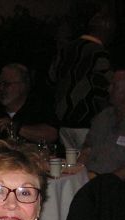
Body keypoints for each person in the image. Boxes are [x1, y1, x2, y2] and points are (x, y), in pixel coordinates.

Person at [49, 11, 114, 150]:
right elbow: (107, 87)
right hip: (86, 122)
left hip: (62, 122)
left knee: (70, 166)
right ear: (106, 29)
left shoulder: (66, 49)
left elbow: (52, 76)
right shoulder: (98, 53)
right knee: (87, 165)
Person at [0, 63, 58, 144]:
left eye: (6, 84)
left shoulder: (38, 106)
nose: (1, 88)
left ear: (23, 85)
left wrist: (16, 127)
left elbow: (52, 135)